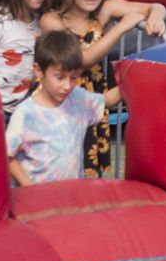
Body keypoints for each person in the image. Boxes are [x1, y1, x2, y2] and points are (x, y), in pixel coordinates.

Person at [39, 0, 166, 176]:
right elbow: (81, 59)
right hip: (63, 103)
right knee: (61, 165)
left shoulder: (104, 9)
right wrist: (120, 27)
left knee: (91, 166)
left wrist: (155, 17)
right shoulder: (52, 20)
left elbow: (155, 6)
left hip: (93, 103)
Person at [6, 30, 114, 186]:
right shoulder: (25, 113)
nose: (67, 86)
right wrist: (29, 186)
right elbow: (8, 154)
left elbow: (108, 100)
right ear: (38, 71)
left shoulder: (78, 98)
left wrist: (133, 75)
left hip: (71, 196)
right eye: (60, 77)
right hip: (37, 201)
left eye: (74, 77)